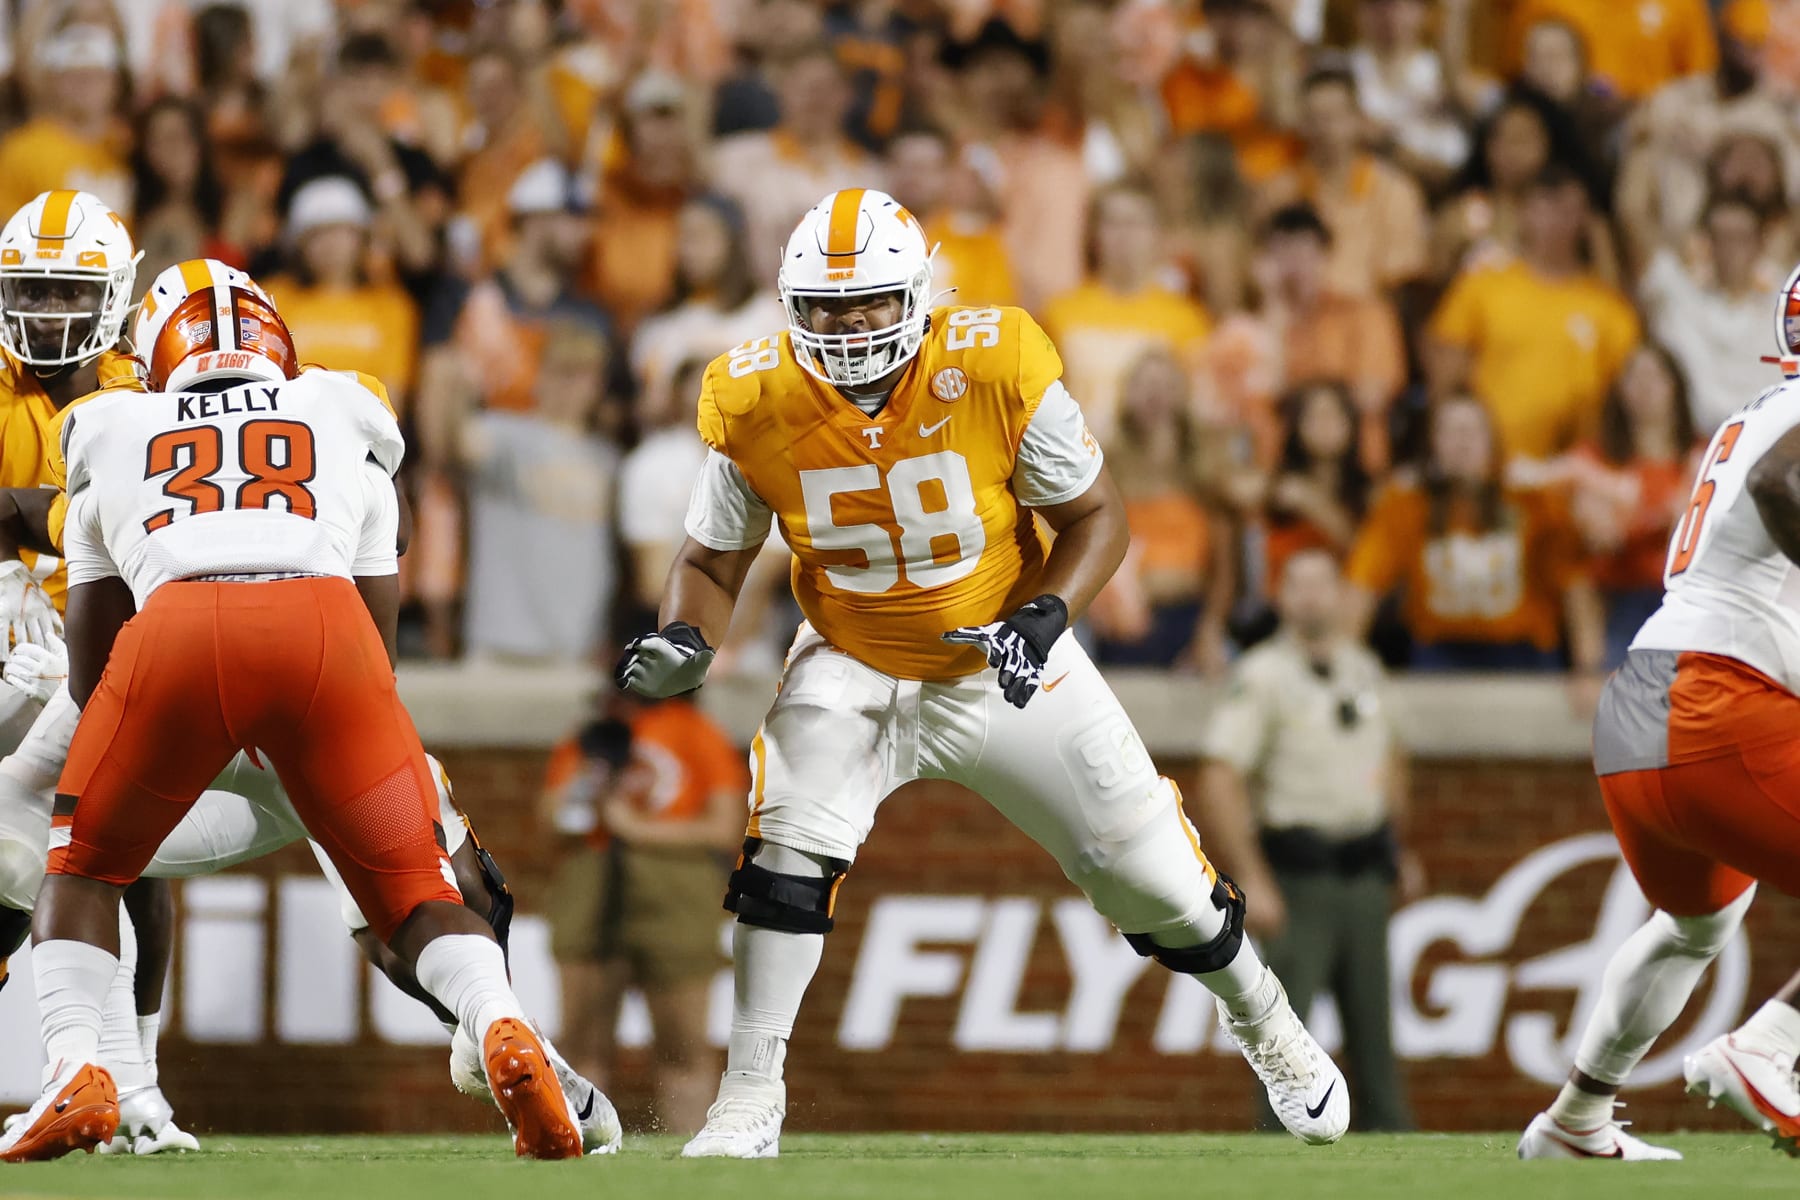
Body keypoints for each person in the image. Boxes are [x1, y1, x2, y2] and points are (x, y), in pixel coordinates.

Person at [617, 187, 1349, 1159]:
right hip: (851, 658)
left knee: (1158, 878)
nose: (848, 328)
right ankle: (749, 1097)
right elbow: (712, 562)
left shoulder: (994, 361)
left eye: (870, 304)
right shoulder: (756, 397)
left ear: (916, 295)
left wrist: (1043, 617)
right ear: (792, 306)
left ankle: (1265, 1021)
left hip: (998, 655)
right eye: (828, 308)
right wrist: (686, 637)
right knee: (785, 850)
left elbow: (1097, 515)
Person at [0, 259, 590, 1162]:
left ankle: (80, 1063)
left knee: (80, 865)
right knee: (417, 891)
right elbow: (378, 646)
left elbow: (91, 677)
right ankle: (497, 1018)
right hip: (327, 645)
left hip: (179, 641)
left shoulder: (112, 427)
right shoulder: (343, 411)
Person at [1515, 266, 1800, 1161]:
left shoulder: (1758, 411)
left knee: (1693, 927)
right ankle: (1768, 1046)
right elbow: (1780, 487)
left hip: (1644, 699)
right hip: (1717, 702)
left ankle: (1576, 1118)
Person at [1200, 547, 1418, 1133]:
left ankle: (1394, 1151)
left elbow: (1393, 756)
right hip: (1297, 879)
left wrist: (1396, 846)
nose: (1314, 597)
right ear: (1282, 597)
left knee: (1375, 1039)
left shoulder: (1363, 668)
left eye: (1325, 583)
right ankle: (1279, 1147)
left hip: (1364, 869)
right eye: (1299, 584)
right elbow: (1221, 776)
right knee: (1284, 1042)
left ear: (1342, 594)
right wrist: (1253, 877)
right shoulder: (1262, 674)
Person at [545, 693, 745, 1135]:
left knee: (683, 1045)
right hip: (593, 887)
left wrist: (635, 827)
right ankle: (580, 1146)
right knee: (582, 1045)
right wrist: (594, 778)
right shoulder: (596, 736)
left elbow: (725, 827)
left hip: (675, 894)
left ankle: (694, 1151)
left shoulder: (695, 731)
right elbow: (555, 817)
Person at [1346, 395, 1604, 673]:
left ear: (1493, 442)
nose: (1462, 442)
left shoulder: (1534, 501)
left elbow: (1576, 586)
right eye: (1450, 431)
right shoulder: (1405, 504)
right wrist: (1343, 661)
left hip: (1523, 650)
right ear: (1432, 444)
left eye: (1472, 431)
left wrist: (1588, 667)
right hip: (1440, 651)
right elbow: (1362, 585)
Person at [1427, 165, 1640, 463]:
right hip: (1486, 467)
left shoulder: (1609, 307)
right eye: (1545, 206)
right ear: (1523, 212)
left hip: (1573, 471)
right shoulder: (1483, 284)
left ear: (1584, 219)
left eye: (1568, 210)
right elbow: (1446, 375)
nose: (1556, 221)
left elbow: (1626, 401)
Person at [1041, 181, 1212, 443]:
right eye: (1113, 223)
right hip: (1078, 454)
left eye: (1135, 223)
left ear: (1158, 233)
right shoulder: (1059, 314)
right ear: (1094, 234)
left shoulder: (1188, 320)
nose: (1124, 236)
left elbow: (1195, 410)